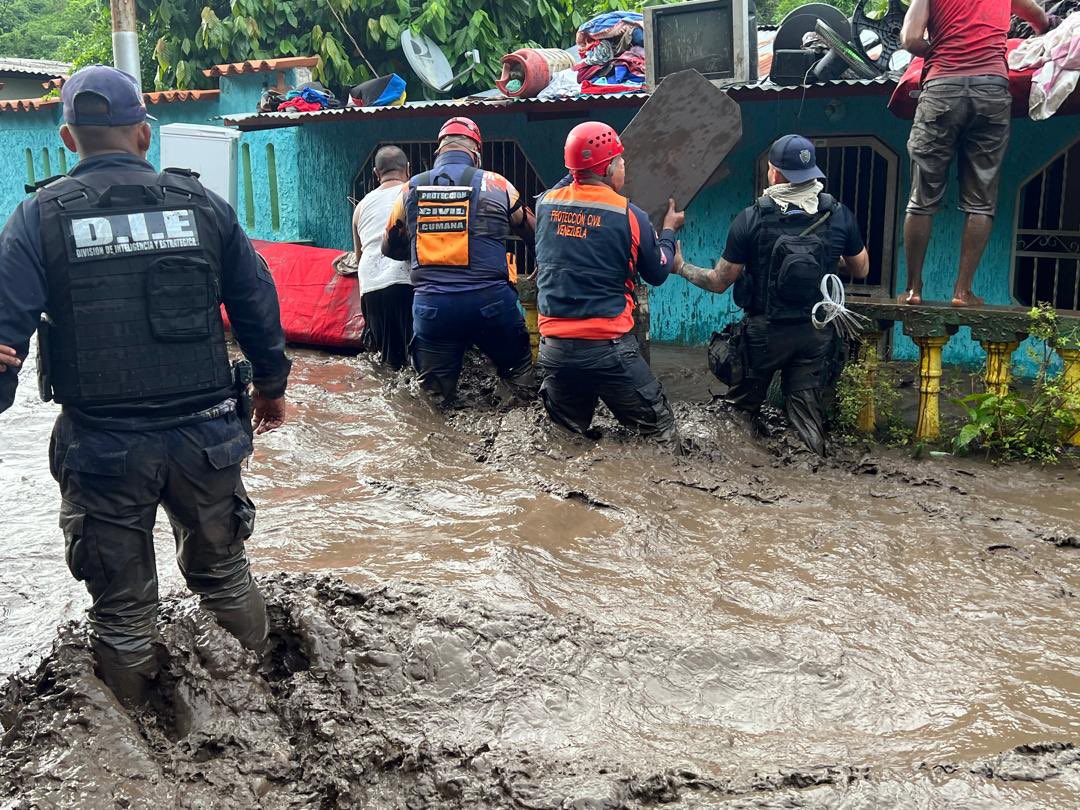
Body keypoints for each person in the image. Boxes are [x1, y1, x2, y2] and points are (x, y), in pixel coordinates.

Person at [0, 66, 292, 706]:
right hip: (208, 433)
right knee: (222, 574)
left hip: (102, 446)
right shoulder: (204, 206)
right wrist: (271, 386)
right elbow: (257, 303)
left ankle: (147, 743)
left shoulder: (36, 219)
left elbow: (3, 337)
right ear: (143, 134)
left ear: (69, 141)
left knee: (125, 610)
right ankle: (268, 705)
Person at [673, 135, 869, 456]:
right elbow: (860, 268)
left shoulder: (751, 218)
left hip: (764, 334)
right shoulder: (838, 214)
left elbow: (720, 280)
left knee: (739, 415)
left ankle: (740, 469)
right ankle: (812, 468)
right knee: (806, 419)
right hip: (815, 333)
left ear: (775, 174)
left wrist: (681, 267)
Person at [533, 121, 684, 445]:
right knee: (662, 437)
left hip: (555, 351)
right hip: (608, 351)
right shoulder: (630, 215)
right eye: (621, 160)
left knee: (566, 441)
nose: (625, 166)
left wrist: (580, 165)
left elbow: (569, 183)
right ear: (606, 168)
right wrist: (669, 231)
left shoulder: (544, 204)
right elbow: (658, 273)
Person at [899, 0, 1056, 307]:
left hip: (942, 87)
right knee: (981, 201)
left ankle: (913, 289)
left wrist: (942, 49)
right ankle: (962, 292)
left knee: (922, 197)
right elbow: (1039, 19)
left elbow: (910, 39)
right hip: (991, 90)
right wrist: (1048, 27)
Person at [382, 117, 535, 405]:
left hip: (433, 311)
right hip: (492, 306)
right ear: (476, 153)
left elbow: (389, 246)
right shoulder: (497, 183)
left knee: (434, 402)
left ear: (439, 152)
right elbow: (534, 234)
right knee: (519, 379)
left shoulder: (410, 189)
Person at [353, 146, 413, 370]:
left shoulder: (360, 207)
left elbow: (359, 257)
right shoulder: (412, 192)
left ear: (376, 173)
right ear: (408, 169)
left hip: (372, 287)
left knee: (384, 361)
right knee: (414, 360)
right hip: (407, 283)